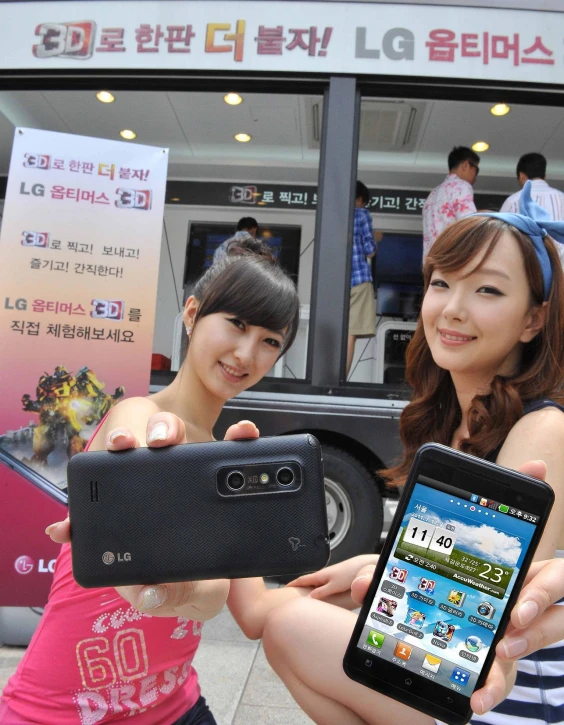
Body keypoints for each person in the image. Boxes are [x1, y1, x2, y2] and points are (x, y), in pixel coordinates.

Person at [256, 181, 564, 725]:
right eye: (442, 283)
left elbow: (484, 607)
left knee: (287, 625)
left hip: (508, 697)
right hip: (459, 679)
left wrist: (377, 571)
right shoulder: (454, 424)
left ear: (533, 319)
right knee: (295, 620)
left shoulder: (543, 428)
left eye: (487, 291)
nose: (453, 309)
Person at [0, 242, 304, 725]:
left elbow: (257, 609)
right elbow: (141, 443)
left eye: (271, 341)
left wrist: (355, 585)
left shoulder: (230, 461)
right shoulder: (137, 415)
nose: (247, 353)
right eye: (237, 324)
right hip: (54, 714)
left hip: (173, 709)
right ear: (191, 314)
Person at [501, 152, 564, 268]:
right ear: (544, 176)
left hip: (527, 270)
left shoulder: (513, 201)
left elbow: (500, 239)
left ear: (521, 176)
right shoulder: (562, 198)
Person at [423, 146, 480, 261]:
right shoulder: (461, 186)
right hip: (453, 261)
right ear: (465, 165)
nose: (476, 175)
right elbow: (469, 223)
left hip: (431, 264)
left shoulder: (432, 194)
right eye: (476, 169)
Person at [347, 181, 379, 378]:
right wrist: (376, 239)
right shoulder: (361, 214)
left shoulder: (334, 215)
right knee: (350, 333)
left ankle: (328, 376)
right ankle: (340, 380)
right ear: (360, 199)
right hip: (358, 280)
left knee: (337, 333)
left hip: (335, 284)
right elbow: (370, 250)